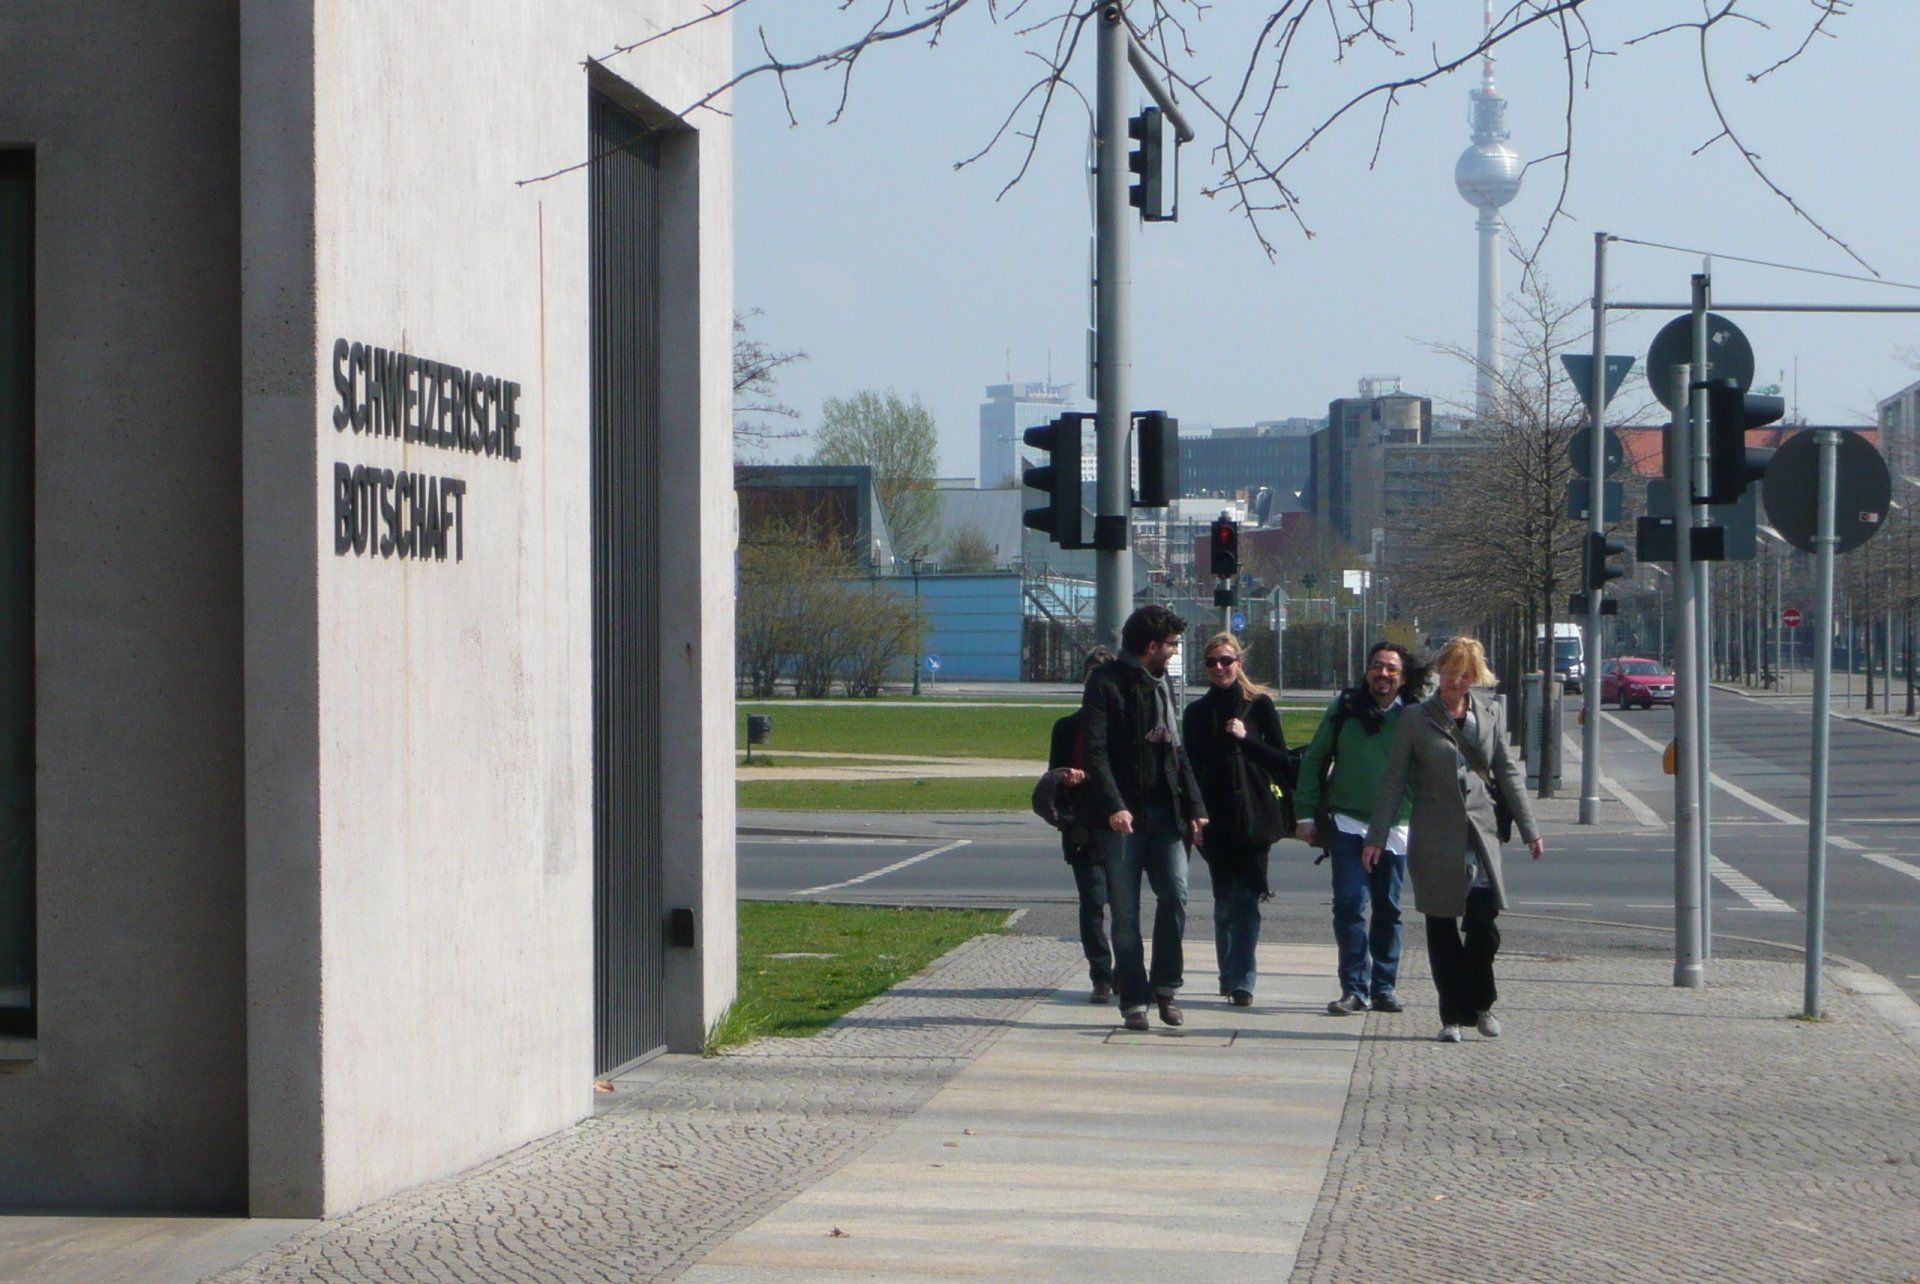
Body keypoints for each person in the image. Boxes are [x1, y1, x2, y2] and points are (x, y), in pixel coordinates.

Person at [1363, 636, 1544, 1044]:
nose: (1455, 681)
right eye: (1448, 671)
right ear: (1438, 672)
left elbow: (1508, 775)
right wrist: (1376, 836)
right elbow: (1394, 781)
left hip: (1480, 834)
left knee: (1483, 926)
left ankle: (1481, 1003)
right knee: (1442, 926)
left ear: (1474, 677)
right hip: (1434, 837)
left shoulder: (1490, 714)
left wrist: (1530, 829)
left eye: (1464, 674)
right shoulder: (1415, 718)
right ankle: (1452, 1016)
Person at [1081, 605, 1207, 1032]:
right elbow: (1095, 752)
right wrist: (1115, 804)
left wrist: (1196, 807)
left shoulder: (1163, 684)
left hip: (1165, 811)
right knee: (1126, 912)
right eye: (1170, 645)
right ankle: (1134, 1000)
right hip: (1122, 817)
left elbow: (1178, 749)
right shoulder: (1105, 682)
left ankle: (1166, 987)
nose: (1173, 652)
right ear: (1152, 646)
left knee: (1175, 894)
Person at [1293, 642, 1428, 1016]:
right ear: (1367, 671)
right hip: (1348, 824)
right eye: (1376, 667)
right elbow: (1315, 759)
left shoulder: (1415, 716)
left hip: (1397, 828)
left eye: (1391, 669)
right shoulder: (1345, 709)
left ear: (1403, 677)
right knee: (1350, 904)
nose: (1382, 675)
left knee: (1388, 907)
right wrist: (1304, 813)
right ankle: (1354, 988)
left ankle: (1384, 986)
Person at [1181, 632, 1290, 1007]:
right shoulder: (1197, 713)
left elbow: (1283, 761)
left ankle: (1242, 980)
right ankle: (1228, 977)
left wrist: (1246, 740)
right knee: (1223, 901)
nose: (1219, 668)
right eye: (1211, 662)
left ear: (1239, 663)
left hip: (1254, 817)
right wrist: (1193, 815)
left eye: (1226, 661)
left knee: (1247, 899)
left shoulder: (1258, 706)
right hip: (1215, 818)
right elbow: (1189, 768)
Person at [1042, 646, 1118, 1004]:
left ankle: (1128, 973)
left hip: (1120, 825)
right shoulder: (1067, 727)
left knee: (1123, 905)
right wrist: (1064, 778)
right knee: (1092, 902)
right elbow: (1052, 776)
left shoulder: (1122, 725)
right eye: (1091, 678)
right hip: (1082, 826)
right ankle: (1101, 976)